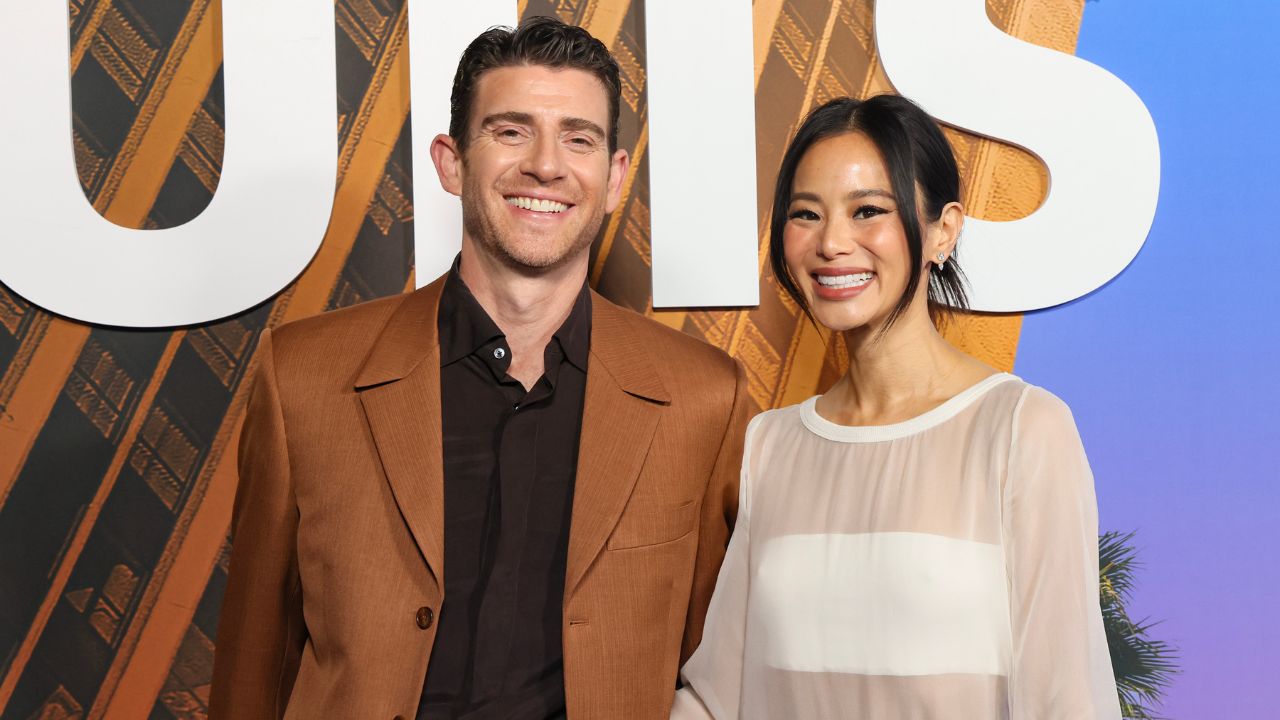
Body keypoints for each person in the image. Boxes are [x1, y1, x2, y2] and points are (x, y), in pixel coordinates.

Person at [210, 17, 749, 720]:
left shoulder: (703, 398)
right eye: (511, 131)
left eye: (579, 138)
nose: (547, 166)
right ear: (451, 161)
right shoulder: (304, 378)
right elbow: (254, 663)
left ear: (615, 178)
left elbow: (715, 673)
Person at [671, 95, 1121, 719]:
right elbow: (717, 697)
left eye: (868, 211)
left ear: (943, 230)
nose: (831, 242)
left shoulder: (1020, 429)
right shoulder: (769, 446)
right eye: (806, 213)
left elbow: (1064, 699)